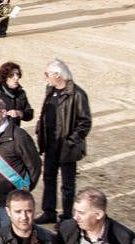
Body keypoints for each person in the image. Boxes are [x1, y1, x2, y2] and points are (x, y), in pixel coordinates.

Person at [34, 59, 92, 225]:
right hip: (51, 144)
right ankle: (49, 212)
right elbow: (45, 113)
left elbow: (85, 122)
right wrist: (40, 128)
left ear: (57, 74)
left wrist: (71, 141)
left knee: (68, 184)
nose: (46, 77)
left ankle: (67, 216)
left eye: (48, 74)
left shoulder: (77, 94)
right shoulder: (50, 90)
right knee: (49, 178)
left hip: (67, 147)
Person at [0, 97, 41, 237]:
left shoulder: (19, 136)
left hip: (11, 204)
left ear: (3, 113)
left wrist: (24, 191)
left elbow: (34, 165)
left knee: (12, 243)